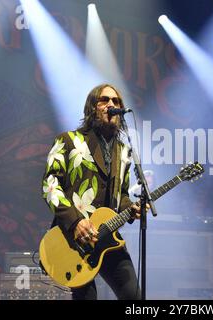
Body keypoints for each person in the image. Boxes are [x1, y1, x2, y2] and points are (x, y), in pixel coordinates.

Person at [42, 84, 145, 300]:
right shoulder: (68, 140)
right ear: (92, 108)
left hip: (108, 237)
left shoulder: (123, 151)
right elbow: (50, 184)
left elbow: (122, 194)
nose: (111, 105)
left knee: (135, 298)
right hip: (74, 239)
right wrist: (75, 221)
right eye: (105, 100)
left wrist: (130, 208)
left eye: (116, 102)